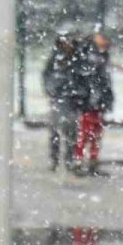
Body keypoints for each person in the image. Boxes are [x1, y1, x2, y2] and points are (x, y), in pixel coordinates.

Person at [72, 31, 115, 177]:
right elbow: (85, 78)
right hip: (89, 102)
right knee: (85, 133)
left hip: (96, 102)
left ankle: (91, 161)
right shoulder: (88, 56)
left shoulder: (101, 57)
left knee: (95, 134)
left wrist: (106, 98)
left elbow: (105, 81)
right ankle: (81, 161)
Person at [41, 30, 83, 172]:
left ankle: (69, 158)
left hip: (73, 100)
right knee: (55, 130)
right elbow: (47, 76)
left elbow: (83, 78)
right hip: (59, 98)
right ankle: (55, 158)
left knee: (71, 131)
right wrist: (52, 90)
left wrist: (79, 92)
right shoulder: (55, 59)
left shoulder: (78, 58)